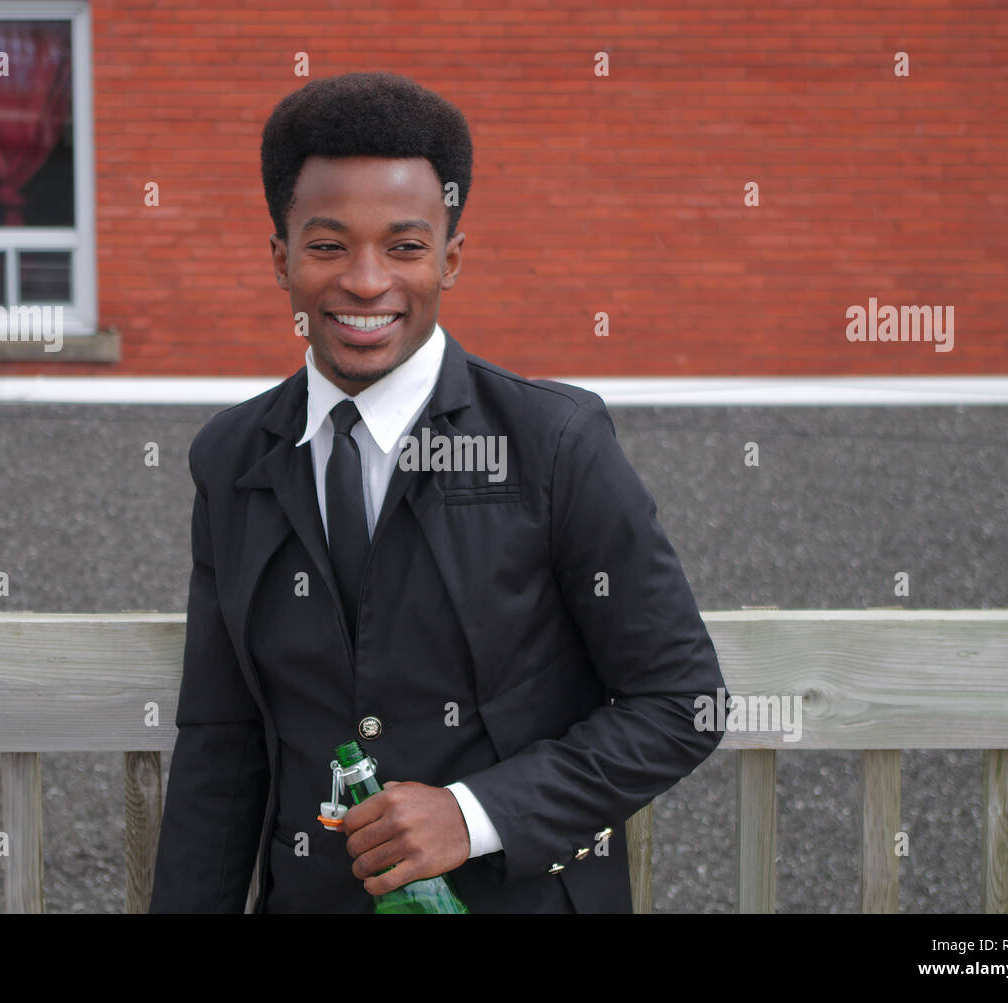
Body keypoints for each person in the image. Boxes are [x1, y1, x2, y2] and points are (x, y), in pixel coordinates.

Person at [149, 71, 727, 914]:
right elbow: (220, 743)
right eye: (327, 245)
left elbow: (684, 702)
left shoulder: (556, 442)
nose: (367, 281)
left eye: (406, 246)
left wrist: (476, 812)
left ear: (451, 258)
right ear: (281, 259)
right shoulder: (231, 457)